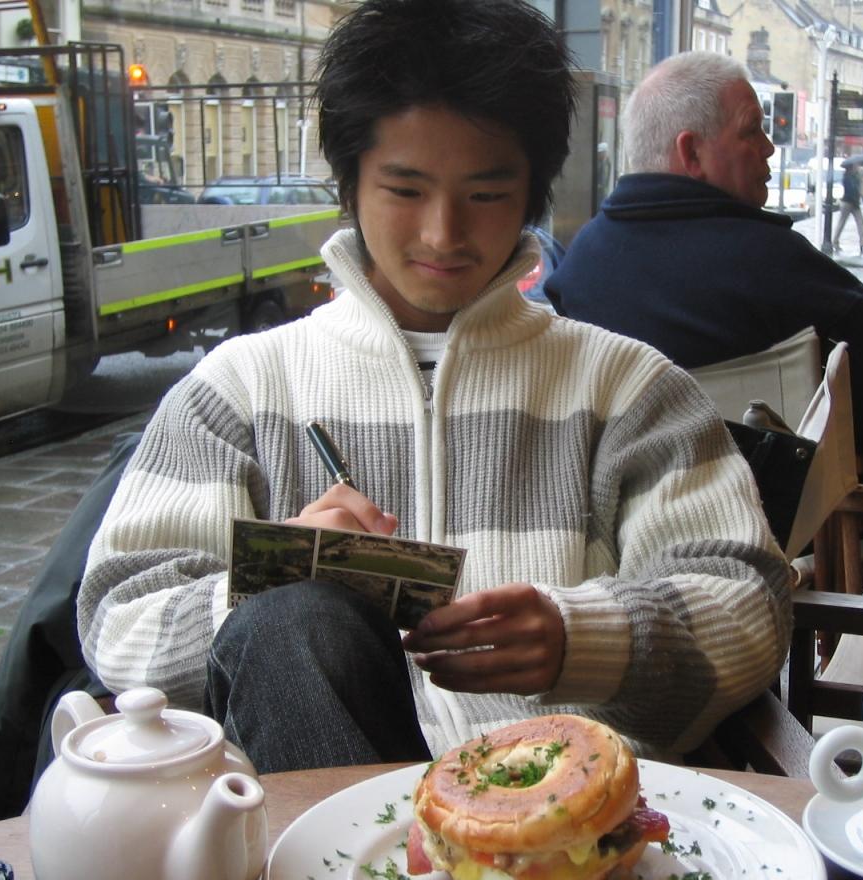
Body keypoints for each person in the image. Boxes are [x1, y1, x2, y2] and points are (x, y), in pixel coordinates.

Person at [76, 0, 790, 774]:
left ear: (531, 192)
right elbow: (118, 621)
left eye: (484, 194)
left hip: (563, 815)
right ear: (350, 183)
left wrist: (582, 639)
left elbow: (749, 603)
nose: (443, 234)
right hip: (316, 827)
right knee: (293, 620)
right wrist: (273, 577)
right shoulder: (240, 392)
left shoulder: (631, 391)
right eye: (406, 189)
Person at [544, 51, 863, 457]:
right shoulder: (774, 261)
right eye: (752, 130)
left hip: (630, 491)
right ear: (692, 153)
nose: (769, 147)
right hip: (787, 495)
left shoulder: (578, 269)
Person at [832, 161, 863, 254]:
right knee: (843, 222)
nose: (857, 167)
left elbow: (859, 186)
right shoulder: (848, 177)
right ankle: (835, 241)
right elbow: (851, 190)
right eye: (855, 166)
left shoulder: (855, 176)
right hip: (848, 202)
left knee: (860, 222)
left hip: (853, 202)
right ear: (851, 167)